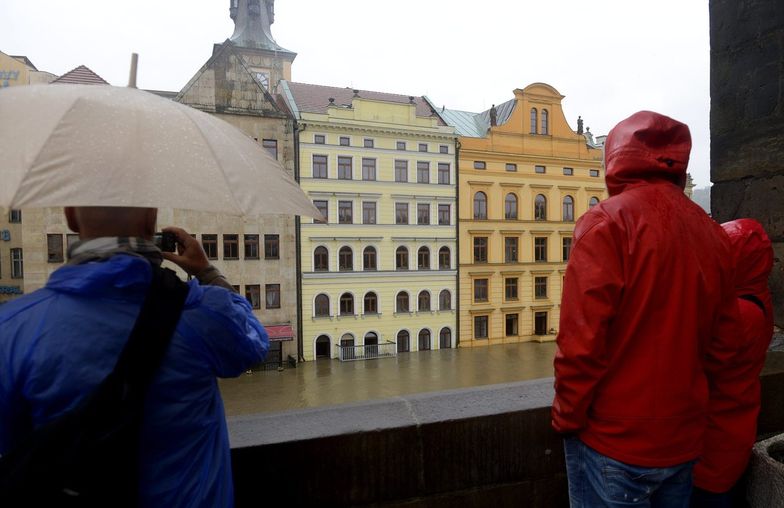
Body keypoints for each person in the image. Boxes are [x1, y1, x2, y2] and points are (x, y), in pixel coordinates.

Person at [0, 206, 269, 507]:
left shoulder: (11, 329)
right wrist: (206, 272)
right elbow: (253, 345)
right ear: (151, 220)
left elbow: (11, 446)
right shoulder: (200, 312)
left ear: (71, 218)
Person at [552, 111, 740, 507]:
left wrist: (567, 418)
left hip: (613, 444)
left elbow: (580, 343)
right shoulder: (713, 233)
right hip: (684, 442)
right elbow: (724, 351)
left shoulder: (605, 223)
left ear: (616, 158)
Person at [691, 219, 774, 507]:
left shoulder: (741, 315)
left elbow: (698, 362)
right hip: (731, 432)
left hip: (714, 445)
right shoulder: (754, 298)